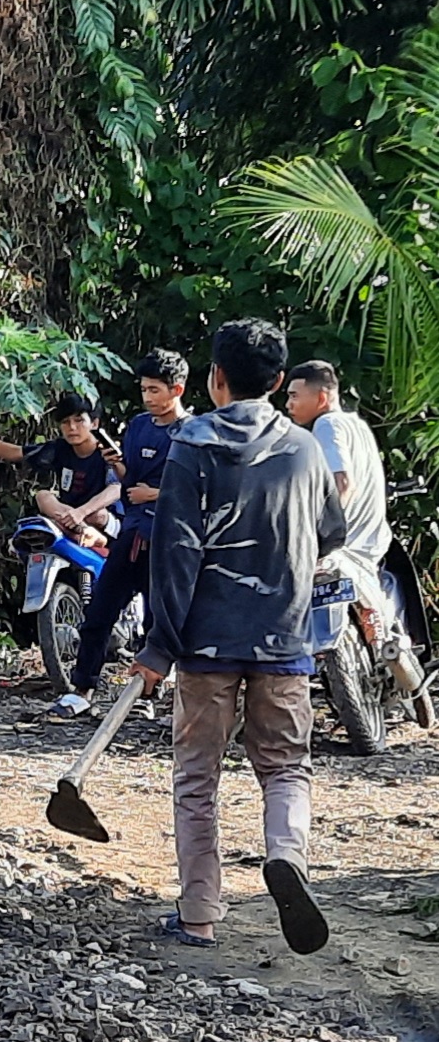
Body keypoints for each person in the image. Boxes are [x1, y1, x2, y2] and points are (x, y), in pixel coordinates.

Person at [130, 320, 345, 956]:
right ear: (279, 383)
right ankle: (286, 855)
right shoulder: (304, 450)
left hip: (205, 644)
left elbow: (175, 554)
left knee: (198, 776)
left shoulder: (192, 445)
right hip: (283, 639)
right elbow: (330, 533)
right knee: (285, 768)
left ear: (215, 379)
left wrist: (158, 646)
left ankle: (199, 914)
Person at [59, 348, 192, 716]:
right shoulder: (137, 426)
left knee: (157, 620)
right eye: (144, 390)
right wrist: (117, 466)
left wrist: (158, 494)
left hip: (167, 540)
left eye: (155, 390)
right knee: (99, 611)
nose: (148, 398)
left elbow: (203, 490)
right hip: (131, 532)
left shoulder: (191, 433)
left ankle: (147, 697)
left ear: (176, 390)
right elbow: (128, 483)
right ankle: (82, 688)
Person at [285, 360, 391, 640]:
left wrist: (320, 535)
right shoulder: (358, 426)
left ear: (321, 397)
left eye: (294, 395)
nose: (288, 404)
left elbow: (342, 484)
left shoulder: (327, 424)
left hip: (345, 546)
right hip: (372, 543)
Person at [0, 395, 121, 541]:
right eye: (65, 422)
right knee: (42, 495)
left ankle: (84, 530)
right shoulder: (59, 449)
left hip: (104, 518)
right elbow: (15, 452)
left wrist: (81, 512)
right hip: (70, 517)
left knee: (95, 514)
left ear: (94, 423)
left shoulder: (107, 451)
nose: (72, 428)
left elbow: (116, 488)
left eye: (79, 420)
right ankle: (84, 533)